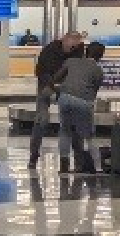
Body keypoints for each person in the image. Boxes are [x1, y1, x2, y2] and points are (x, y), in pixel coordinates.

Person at [28, 32, 84, 171]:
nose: (72, 49)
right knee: (41, 120)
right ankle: (33, 156)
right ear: (64, 40)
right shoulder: (49, 50)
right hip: (47, 85)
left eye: (75, 46)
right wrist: (53, 87)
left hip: (66, 87)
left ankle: (77, 159)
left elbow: (75, 71)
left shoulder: (78, 52)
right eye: (71, 46)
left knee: (73, 123)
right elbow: (41, 71)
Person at [54, 42, 106, 174]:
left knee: (65, 131)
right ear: (101, 56)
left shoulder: (71, 61)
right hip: (84, 101)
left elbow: (57, 78)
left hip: (65, 98)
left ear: (86, 51)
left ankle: (63, 166)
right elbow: (94, 91)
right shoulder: (98, 70)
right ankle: (97, 167)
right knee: (89, 136)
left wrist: (61, 89)